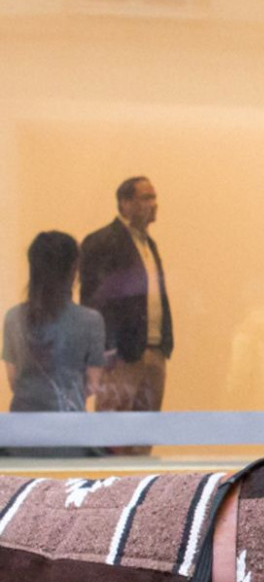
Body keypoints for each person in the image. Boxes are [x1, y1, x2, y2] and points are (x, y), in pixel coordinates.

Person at [80, 175, 173, 416]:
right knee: (113, 437)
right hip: (120, 357)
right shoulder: (102, 242)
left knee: (144, 436)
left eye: (154, 197)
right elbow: (92, 302)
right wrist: (105, 351)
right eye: (146, 197)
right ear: (125, 203)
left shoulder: (149, 245)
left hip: (154, 351)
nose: (154, 204)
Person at [3, 231, 105, 449]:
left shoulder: (13, 318)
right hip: (72, 434)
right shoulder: (91, 321)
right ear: (73, 271)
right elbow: (92, 384)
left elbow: (13, 379)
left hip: (20, 434)